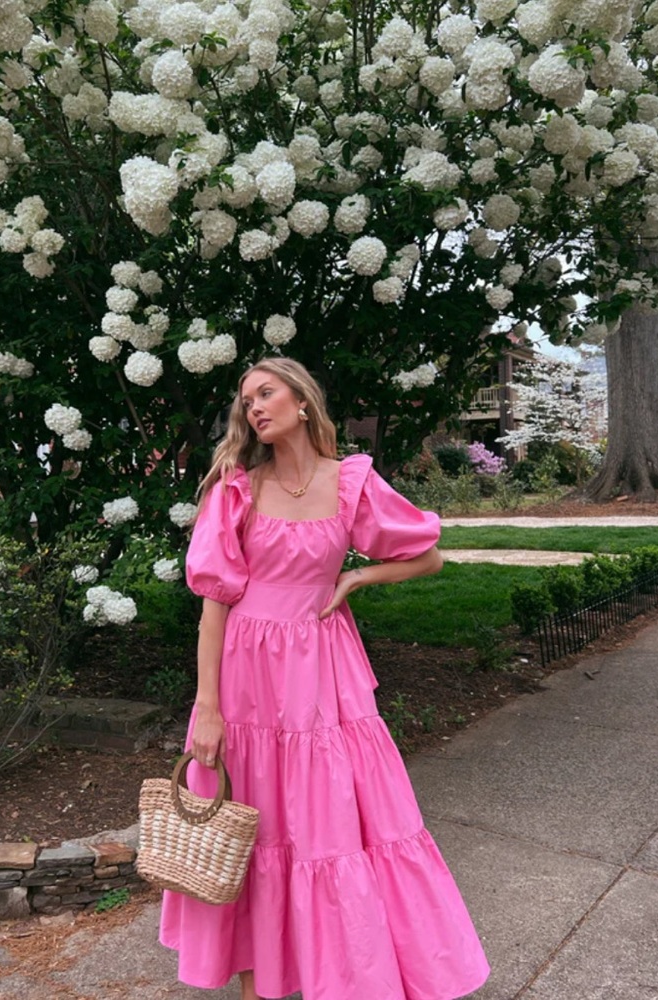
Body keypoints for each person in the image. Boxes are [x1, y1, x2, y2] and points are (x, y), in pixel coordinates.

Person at [159, 358, 490, 1000]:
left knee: (326, 826)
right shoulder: (236, 489)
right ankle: (260, 988)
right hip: (247, 678)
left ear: (302, 402)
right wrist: (206, 707)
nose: (254, 407)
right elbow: (212, 608)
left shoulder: (352, 483)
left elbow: (428, 555)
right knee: (254, 831)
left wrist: (359, 575)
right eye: (245, 400)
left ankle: (338, 976)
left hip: (323, 677)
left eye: (266, 392)